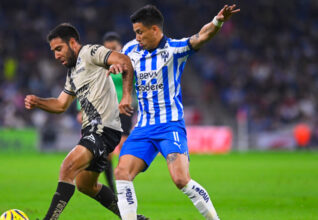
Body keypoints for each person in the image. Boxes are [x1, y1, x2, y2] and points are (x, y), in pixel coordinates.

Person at [114, 4, 240, 220]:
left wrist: (218, 21)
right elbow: (124, 68)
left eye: (140, 32)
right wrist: (125, 94)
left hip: (169, 125)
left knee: (181, 179)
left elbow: (201, 37)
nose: (137, 37)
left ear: (155, 29)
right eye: (135, 32)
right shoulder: (130, 50)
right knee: (121, 173)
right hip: (143, 126)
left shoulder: (175, 49)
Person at [24, 23, 146, 220]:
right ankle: (130, 217)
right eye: (53, 51)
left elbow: (123, 60)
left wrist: (126, 96)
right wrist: (38, 102)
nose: (56, 55)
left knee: (67, 167)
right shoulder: (72, 73)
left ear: (72, 43)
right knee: (85, 185)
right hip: (92, 130)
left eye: (59, 49)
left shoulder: (91, 52)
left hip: (102, 129)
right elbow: (61, 105)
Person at [76, 31, 133, 194]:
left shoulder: (127, 62)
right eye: (108, 49)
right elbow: (86, 86)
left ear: (120, 47)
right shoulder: (99, 63)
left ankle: (125, 185)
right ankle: (114, 190)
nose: (111, 51)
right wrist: (81, 109)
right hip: (105, 111)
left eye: (114, 48)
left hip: (123, 110)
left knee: (123, 148)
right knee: (107, 153)